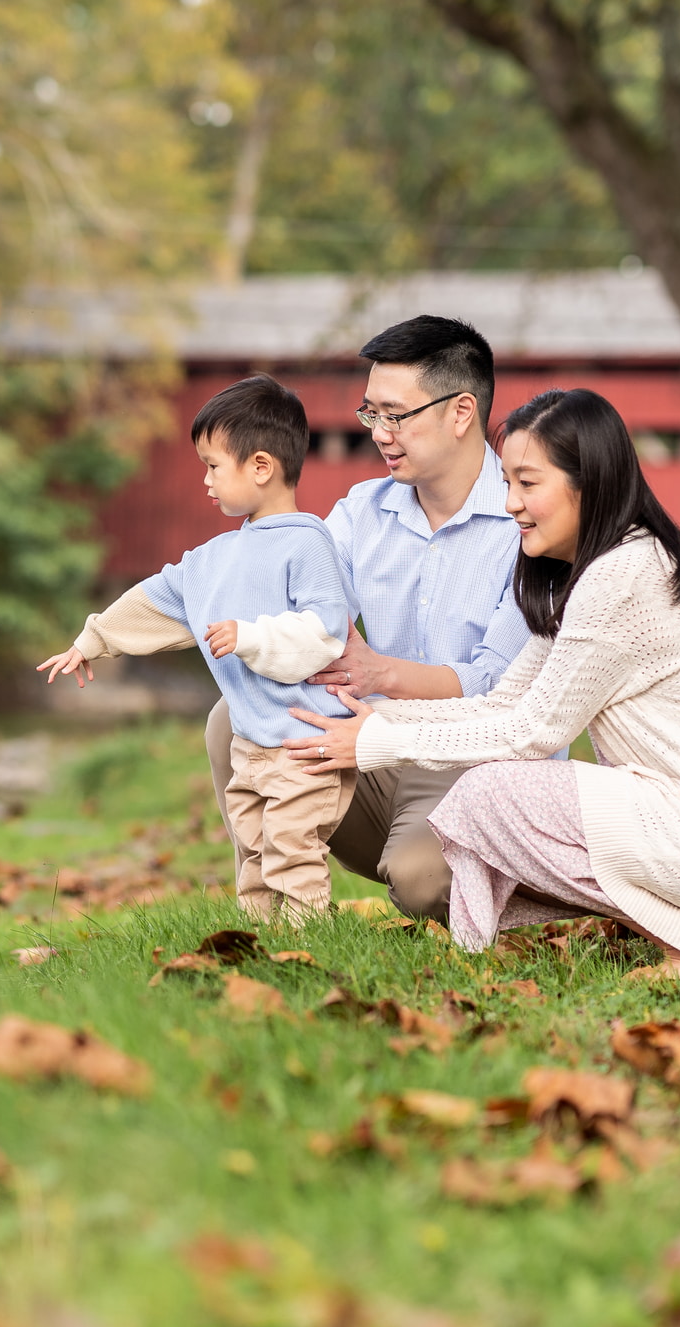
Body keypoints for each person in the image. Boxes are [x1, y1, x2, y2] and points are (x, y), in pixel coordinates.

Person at [283, 388, 680, 976]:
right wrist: (385, 722)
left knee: (487, 795)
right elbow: (504, 703)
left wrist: (376, 743)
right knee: (490, 795)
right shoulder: (592, 573)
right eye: (508, 483)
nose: (511, 503)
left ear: (587, 482)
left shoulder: (625, 574)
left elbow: (533, 731)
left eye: (528, 483)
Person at [204, 316, 554, 921]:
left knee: (420, 884)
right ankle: (274, 906)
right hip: (373, 746)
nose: (381, 434)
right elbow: (301, 609)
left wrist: (379, 673)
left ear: (461, 412)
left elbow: (501, 686)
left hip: (480, 762)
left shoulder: (525, 518)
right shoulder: (362, 511)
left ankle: (538, 891)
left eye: (397, 416)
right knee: (233, 716)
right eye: (373, 415)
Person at [39, 375, 356, 922]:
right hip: (252, 745)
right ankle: (263, 939)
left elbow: (325, 633)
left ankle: (310, 944)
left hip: (307, 744)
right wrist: (94, 639)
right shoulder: (211, 559)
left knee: (292, 852)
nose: (204, 480)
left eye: (213, 466)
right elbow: (157, 599)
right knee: (254, 850)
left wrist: (251, 637)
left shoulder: (309, 541)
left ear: (261, 467)